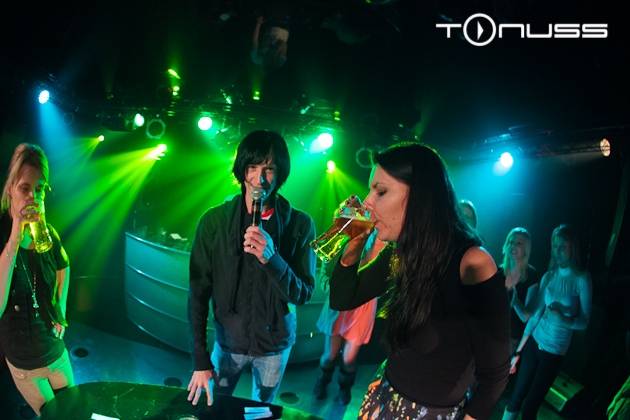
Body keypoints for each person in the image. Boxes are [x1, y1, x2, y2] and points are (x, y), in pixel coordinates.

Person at [329, 142, 511, 420]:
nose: (366, 203)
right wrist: (354, 242)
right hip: (385, 393)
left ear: (419, 197)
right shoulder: (405, 252)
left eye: (380, 191)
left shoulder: (472, 263)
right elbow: (342, 297)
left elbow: (495, 377)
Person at [186, 130, 316, 406]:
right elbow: (198, 293)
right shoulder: (214, 222)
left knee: (262, 411)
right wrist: (200, 358)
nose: (260, 179)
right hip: (227, 344)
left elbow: (302, 293)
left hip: (274, 347)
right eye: (252, 167)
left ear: (280, 174)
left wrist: (272, 259)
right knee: (214, 407)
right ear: (241, 170)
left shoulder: (300, 224)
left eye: (269, 169)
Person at [0, 143, 73, 416]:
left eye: (39, 189)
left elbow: (64, 266)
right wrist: (15, 239)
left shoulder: (47, 232)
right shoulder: (2, 235)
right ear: (10, 189)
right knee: (52, 416)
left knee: (73, 411)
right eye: (25, 188)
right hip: (24, 363)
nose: (33, 197)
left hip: (55, 352)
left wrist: (60, 307)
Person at [504, 224, 592, 420]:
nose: (558, 251)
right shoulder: (549, 276)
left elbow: (585, 322)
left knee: (530, 406)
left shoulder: (582, 280)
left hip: (553, 353)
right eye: (555, 246)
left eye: (563, 246)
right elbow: (535, 316)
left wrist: (563, 319)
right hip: (534, 343)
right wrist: (518, 352)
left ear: (573, 247)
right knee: (516, 397)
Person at [313, 227, 386, 405]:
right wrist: (329, 286)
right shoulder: (342, 232)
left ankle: (345, 389)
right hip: (339, 300)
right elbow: (327, 262)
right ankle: (321, 383)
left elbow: (378, 253)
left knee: (348, 358)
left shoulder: (376, 236)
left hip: (363, 303)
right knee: (330, 355)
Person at [501, 227, 540, 354]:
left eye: (519, 243)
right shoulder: (498, 271)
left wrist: (515, 301)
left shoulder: (531, 275)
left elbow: (526, 316)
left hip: (513, 338)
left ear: (526, 249)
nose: (513, 246)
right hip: (493, 332)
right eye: (511, 242)